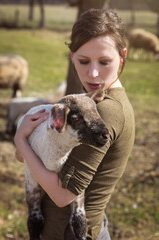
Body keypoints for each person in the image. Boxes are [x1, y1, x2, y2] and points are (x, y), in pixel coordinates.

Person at [14, 9, 135, 240]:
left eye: (104, 61)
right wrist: (27, 145)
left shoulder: (106, 112)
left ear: (122, 57)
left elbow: (62, 196)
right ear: (72, 57)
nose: (93, 73)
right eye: (83, 61)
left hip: (75, 232)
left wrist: (21, 139)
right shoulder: (89, 100)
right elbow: (26, 157)